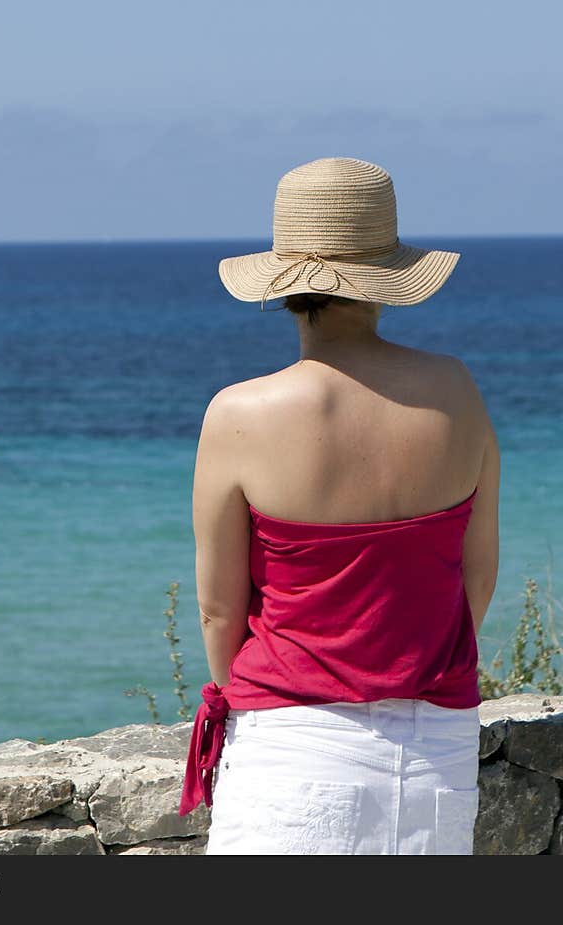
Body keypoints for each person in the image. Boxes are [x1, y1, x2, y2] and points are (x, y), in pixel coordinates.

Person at [179, 157, 500, 855]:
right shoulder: (454, 389)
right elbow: (476, 577)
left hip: (291, 752)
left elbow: (218, 611)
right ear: (389, 275)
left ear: (284, 286)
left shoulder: (239, 413)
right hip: (436, 752)